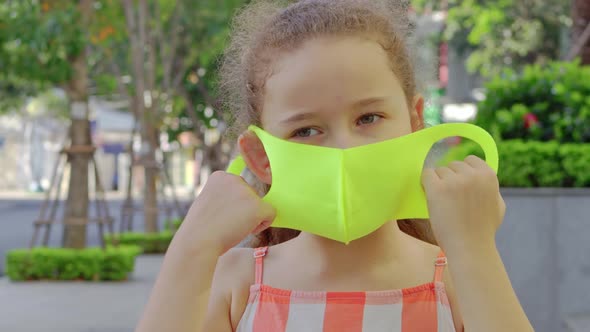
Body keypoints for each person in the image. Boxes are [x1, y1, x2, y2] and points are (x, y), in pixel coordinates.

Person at [136, 1, 533, 331]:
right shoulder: (233, 284)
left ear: (415, 123)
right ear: (261, 157)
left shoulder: (458, 279)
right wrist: (192, 249)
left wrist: (474, 248)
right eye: (307, 130)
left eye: (369, 118)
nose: (344, 149)